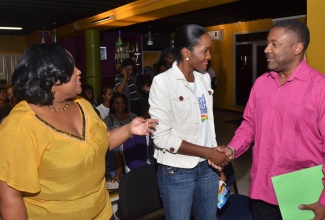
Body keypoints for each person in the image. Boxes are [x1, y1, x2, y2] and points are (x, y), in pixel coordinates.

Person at [0, 43, 157, 220]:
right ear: (52, 79)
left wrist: (129, 129)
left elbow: (100, 143)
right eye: (71, 67)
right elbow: (10, 195)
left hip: (103, 215)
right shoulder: (21, 125)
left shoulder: (82, 105)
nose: (79, 71)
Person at [219, 19, 325, 220]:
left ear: (297, 47)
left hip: (303, 194)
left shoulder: (320, 89)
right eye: (268, 43)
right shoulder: (261, 84)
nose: (267, 49)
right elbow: (249, 124)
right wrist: (232, 148)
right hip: (262, 189)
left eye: (274, 44)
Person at [148, 24, 230, 220]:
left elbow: (206, 124)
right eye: (204, 51)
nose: (209, 56)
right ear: (186, 52)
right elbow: (161, 137)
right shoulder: (163, 82)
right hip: (177, 171)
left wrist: (214, 160)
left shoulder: (204, 79)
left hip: (208, 168)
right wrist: (208, 152)